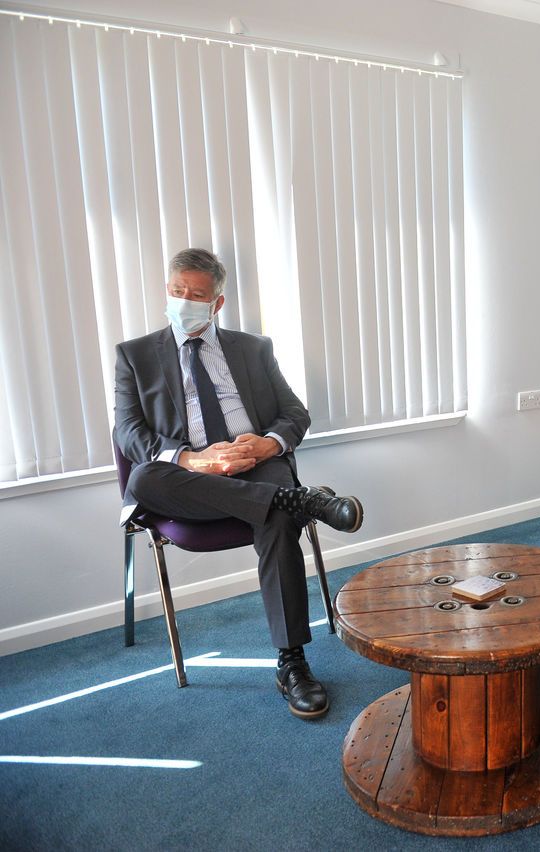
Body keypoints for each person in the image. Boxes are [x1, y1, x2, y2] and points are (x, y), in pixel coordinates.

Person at [114, 248, 365, 720]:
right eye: (176, 292)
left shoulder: (253, 348)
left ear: (218, 302)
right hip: (186, 476)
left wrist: (270, 444)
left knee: (273, 518)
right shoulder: (135, 356)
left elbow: (295, 414)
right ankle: (302, 500)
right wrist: (196, 459)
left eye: (197, 295)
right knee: (147, 477)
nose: (185, 301)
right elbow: (128, 433)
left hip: (255, 462)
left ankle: (291, 663)